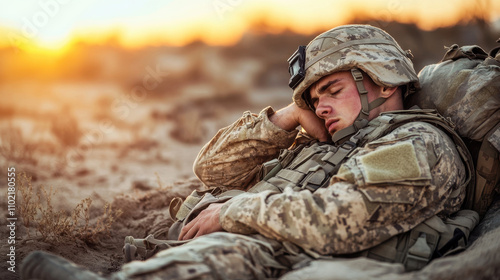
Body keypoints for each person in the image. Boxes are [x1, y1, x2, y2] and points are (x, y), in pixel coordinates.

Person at [21, 24, 473, 280]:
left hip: (273, 257)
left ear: (385, 80)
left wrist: (235, 212)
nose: (322, 106)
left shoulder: (419, 145)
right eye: (313, 99)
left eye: (333, 90)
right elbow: (212, 167)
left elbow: (342, 219)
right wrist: (289, 119)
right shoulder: (330, 138)